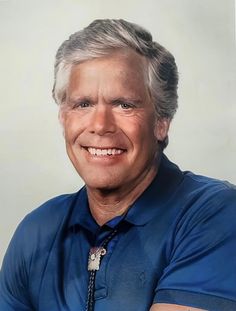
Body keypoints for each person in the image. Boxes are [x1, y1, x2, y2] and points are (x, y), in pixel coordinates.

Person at [0, 19, 236, 311]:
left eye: (124, 104)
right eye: (83, 104)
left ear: (162, 122)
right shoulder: (36, 231)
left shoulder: (215, 214)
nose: (100, 126)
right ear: (63, 118)